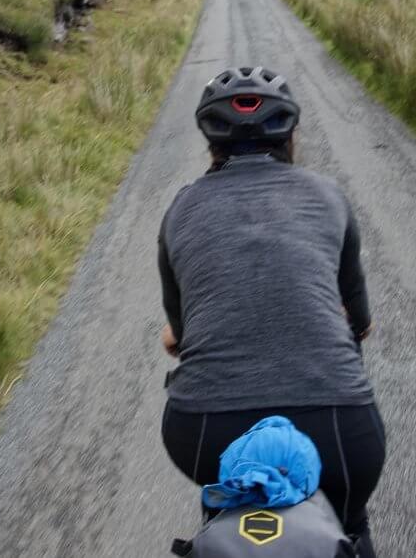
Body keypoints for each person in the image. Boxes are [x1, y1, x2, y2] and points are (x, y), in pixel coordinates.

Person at [157, 67, 386, 556]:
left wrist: (179, 336)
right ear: (292, 136)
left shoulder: (180, 209)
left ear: (210, 142)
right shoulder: (329, 196)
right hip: (339, 425)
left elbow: (178, 329)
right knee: (348, 526)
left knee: (227, 507)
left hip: (203, 427)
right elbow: (360, 321)